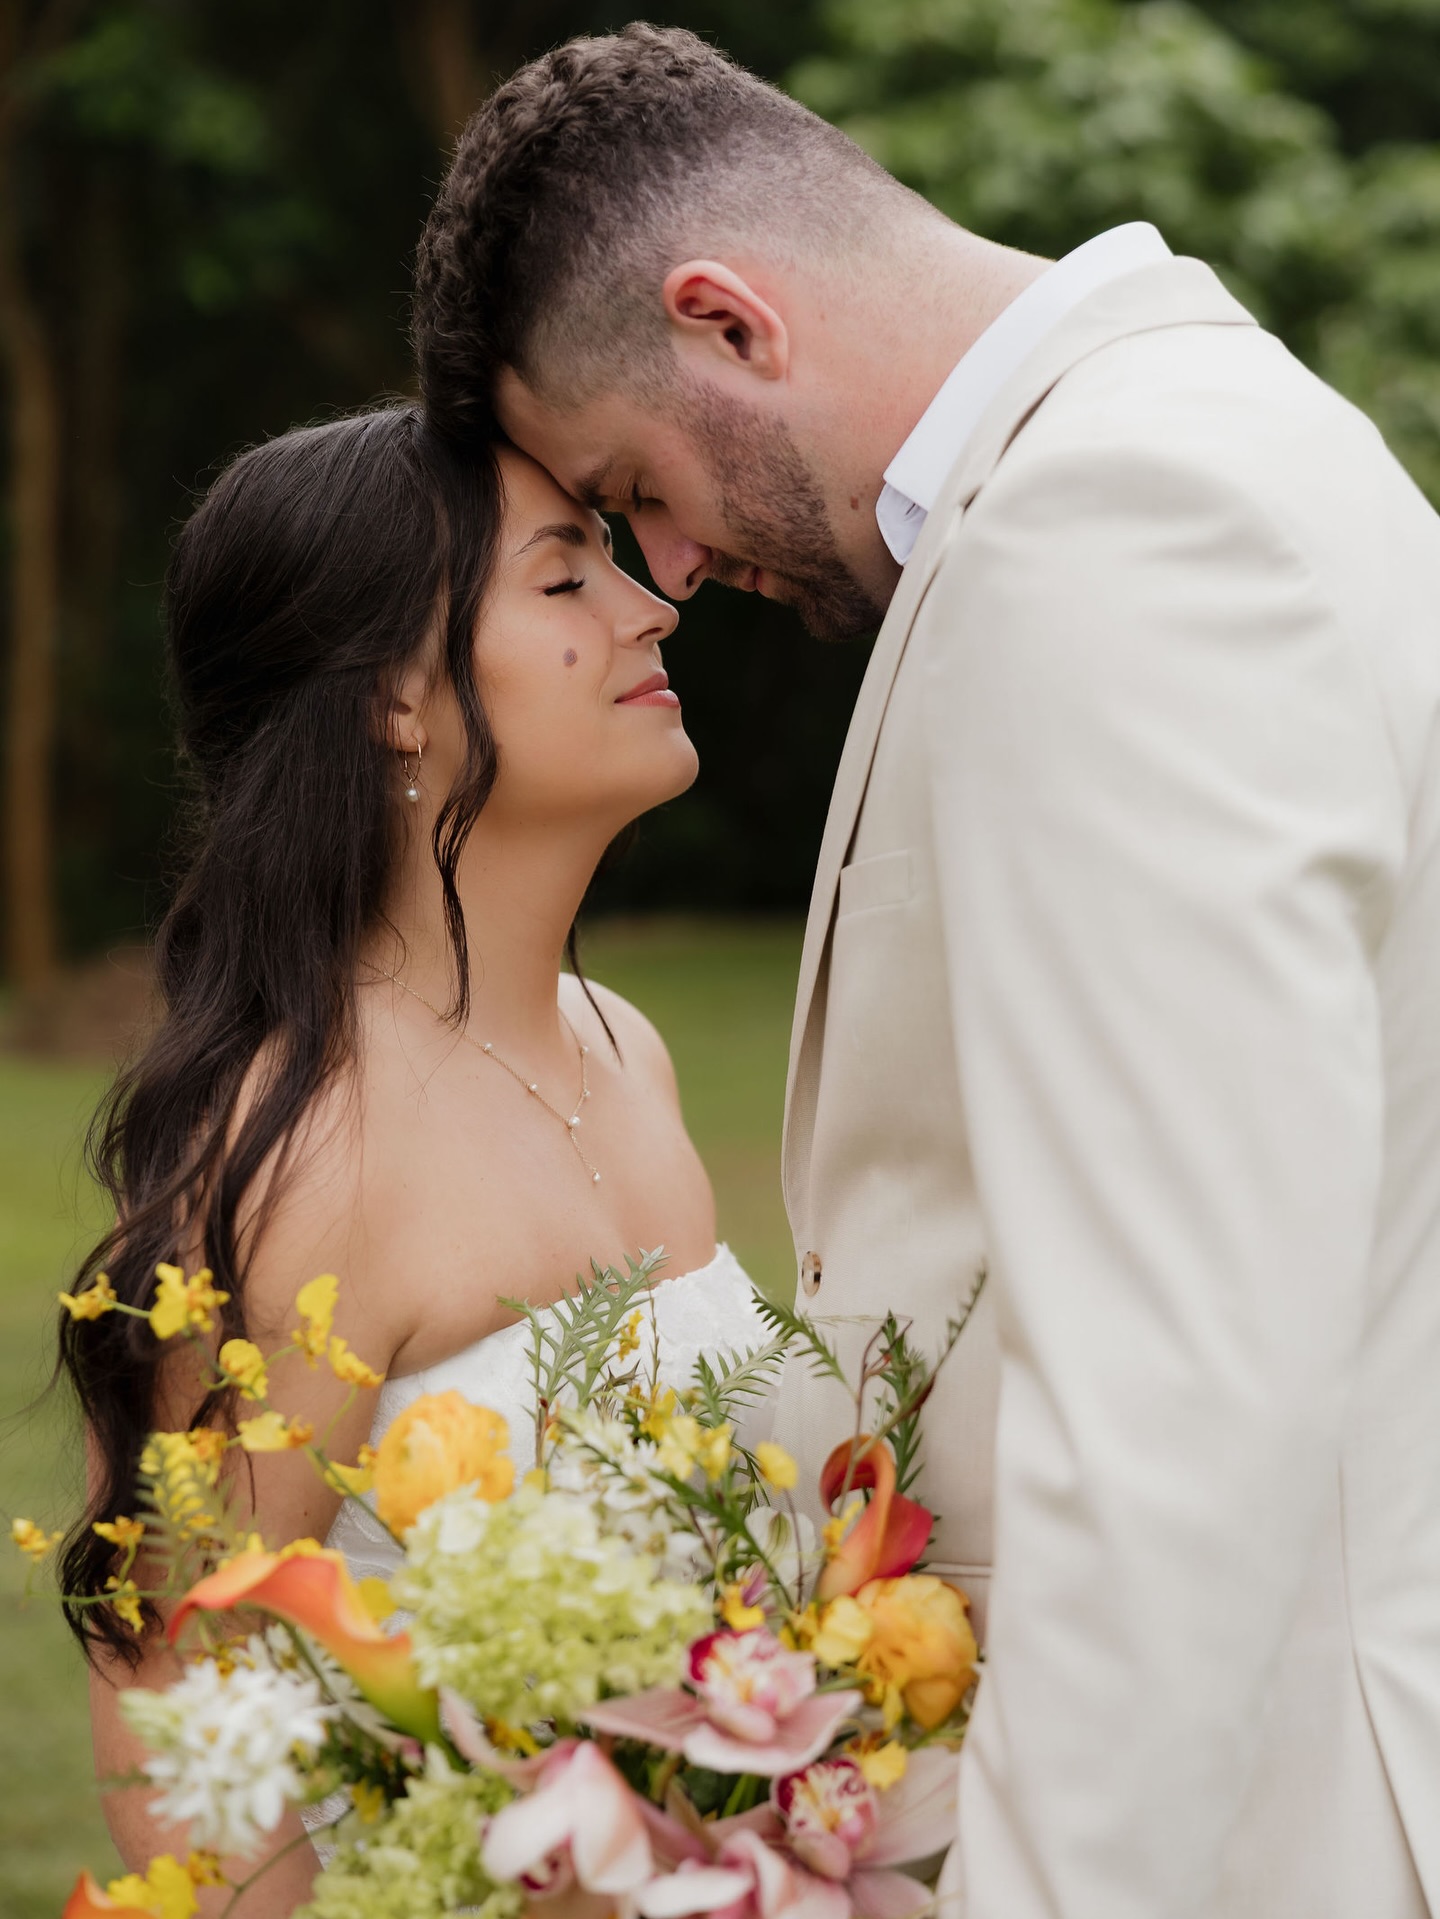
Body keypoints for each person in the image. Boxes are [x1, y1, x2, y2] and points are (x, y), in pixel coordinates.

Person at [412, 24, 1440, 1919]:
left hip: (1250, 1840)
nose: (670, 568)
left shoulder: (1121, 531)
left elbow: (1174, 1397)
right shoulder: (1216, 440)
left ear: (727, 321)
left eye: (631, 488)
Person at [58, 403, 768, 1911]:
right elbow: (181, 1696)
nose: (653, 606)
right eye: (567, 578)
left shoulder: (623, 1048)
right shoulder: (303, 1154)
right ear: (392, 695)